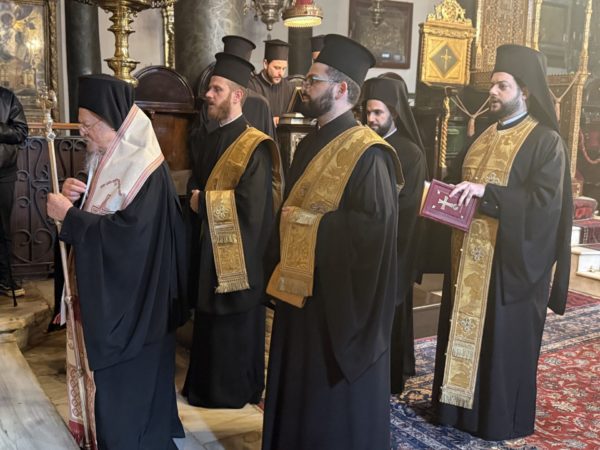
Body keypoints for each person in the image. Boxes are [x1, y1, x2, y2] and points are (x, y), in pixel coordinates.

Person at [262, 34, 404, 450]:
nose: (304, 87)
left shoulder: (370, 153)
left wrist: (305, 225)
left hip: (337, 304)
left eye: (313, 80)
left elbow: (373, 230)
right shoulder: (308, 141)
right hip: (300, 294)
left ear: (341, 89)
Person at [431, 44, 573, 441]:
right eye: (492, 85)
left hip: (508, 266)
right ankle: (456, 412)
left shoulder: (546, 142)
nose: (492, 92)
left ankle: (495, 420)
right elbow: (461, 183)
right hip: (468, 258)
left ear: (524, 91)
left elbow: (545, 207)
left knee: (499, 345)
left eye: (502, 86)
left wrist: (489, 194)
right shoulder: (483, 135)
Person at [46, 74, 187, 450]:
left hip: (135, 310)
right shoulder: (107, 156)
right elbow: (103, 207)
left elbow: (128, 238)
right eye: (80, 124)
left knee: (128, 407)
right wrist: (76, 197)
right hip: (118, 303)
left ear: (114, 122)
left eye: (88, 125)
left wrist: (70, 218)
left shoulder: (144, 169)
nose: (83, 133)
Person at [182, 52, 282, 408]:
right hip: (209, 248)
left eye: (216, 89)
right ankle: (204, 388)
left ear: (237, 95)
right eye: (209, 89)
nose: (208, 95)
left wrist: (203, 203)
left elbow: (252, 207)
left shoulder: (254, 146)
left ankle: (234, 391)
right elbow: (196, 181)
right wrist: (195, 197)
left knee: (232, 328)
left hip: (239, 256)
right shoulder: (210, 137)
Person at [362, 74, 427, 395]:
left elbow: (407, 205)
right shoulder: (364, 143)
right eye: (368, 112)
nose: (371, 119)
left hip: (395, 245)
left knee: (392, 310)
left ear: (395, 113)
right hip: (365, 241)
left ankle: (390, 378)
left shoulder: (411, 152)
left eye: (378, 113)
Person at [0, 86, 27, 297]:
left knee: (1, 228)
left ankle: (4, 279)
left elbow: (21, 132)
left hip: (3, 172)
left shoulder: (6, 97)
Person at [248, 39, 295, 124]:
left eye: (284, 69)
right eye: (277, 68)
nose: (281, 74)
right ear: (265, 64)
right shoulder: (252, 86)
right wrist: (268, 121)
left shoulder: (289, 88)